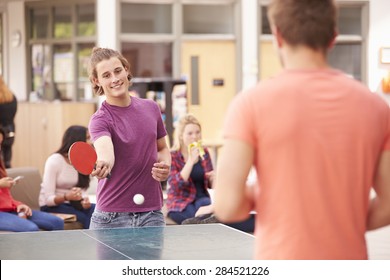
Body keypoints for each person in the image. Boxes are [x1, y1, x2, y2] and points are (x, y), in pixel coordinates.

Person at [214, 0, 390, 260]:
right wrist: (340, 222)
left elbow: (227, 206)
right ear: (333, 37)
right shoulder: (376, 107)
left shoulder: (250, 104)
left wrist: (263, 191)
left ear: (278, 35)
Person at [87, 47, 171, 229]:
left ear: (126, 69)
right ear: (97, 81)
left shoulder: (152, 108)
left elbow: (162, 148)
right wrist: (104, 164)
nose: (115, 79)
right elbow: (105, 152)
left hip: (152, 213)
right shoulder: (99, 120)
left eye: (118, 71)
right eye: (106, 75)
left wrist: (165, 165)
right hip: (110, 218)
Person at [0, 127, 64, 232]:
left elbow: (5, 197)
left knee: (57, 222)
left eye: (0, 144)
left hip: (9, 210)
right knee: (31, 229)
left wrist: (18, 205)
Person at [39, 125, 95, 229]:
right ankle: (91, 244)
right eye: (87, 138)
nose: (91, 142)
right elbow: (48, 200)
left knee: (97, 210)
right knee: (85, 217)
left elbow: (81, 190)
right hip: (51, 206)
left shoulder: (83, 161)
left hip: (73, 204)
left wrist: (84, 201)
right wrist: (66, 197)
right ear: (77, 140)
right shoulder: (54, 160)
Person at [166, 114, 214, 224]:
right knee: (195, 217)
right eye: (190, 133)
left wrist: (215, 177)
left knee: (205, 206)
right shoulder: (172, 155)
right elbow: (175, 185)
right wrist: (191, 161)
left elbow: (210, 184)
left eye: (197, 132)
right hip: (181, 202)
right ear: (181, 136)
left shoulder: (204, 152)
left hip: (201, 199)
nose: (195, 137)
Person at [0, 75, 17, 168]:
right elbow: (14, 113)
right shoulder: (12, 97)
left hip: (1, 131)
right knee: (7, 159)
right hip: (10, 130)